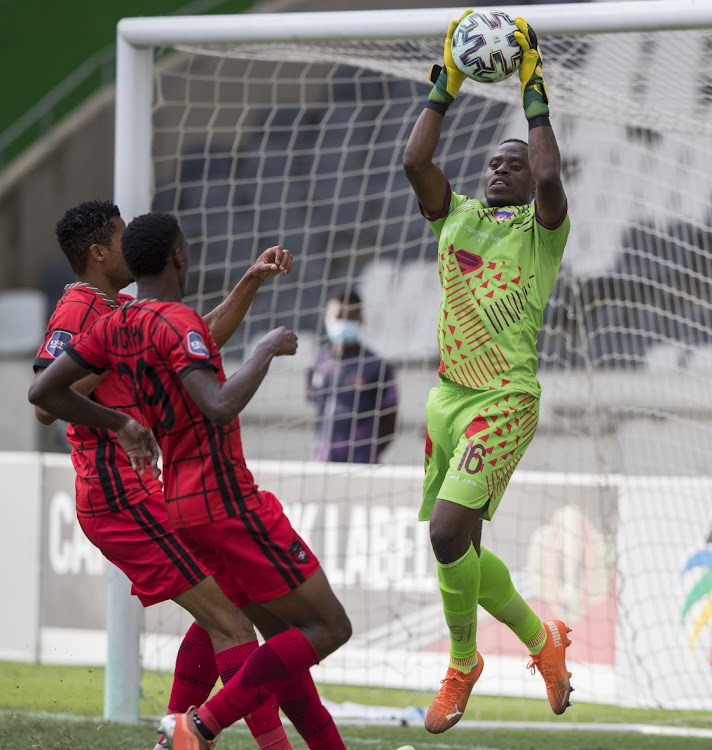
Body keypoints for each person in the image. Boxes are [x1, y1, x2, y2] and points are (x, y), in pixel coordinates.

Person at [29, 211, 352, 750]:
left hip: (160, 488)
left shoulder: (125, 313)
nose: (128, 240)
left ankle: (178, 732)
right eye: (118, 233)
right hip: (123, 488)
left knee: (237, 618)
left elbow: (190, 343)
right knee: (238, 622)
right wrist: (121, 407)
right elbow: (45, 397)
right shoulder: (81, 305)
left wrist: (248, 283)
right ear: (100, 254)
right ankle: (198, 731)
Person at [401, 12, 573, 733]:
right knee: (462, 547)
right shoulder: (456, 218)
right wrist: (449, 80)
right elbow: (414, 162)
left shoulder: (542, 233)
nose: (504, 167)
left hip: (504, 400)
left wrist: (533, 89)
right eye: (495, 161)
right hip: (448, 399)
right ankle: (543, 643)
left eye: (514, 162)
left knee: (444, 536)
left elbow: (549, 171)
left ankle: (463, 663)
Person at [306, 288, 398, 463]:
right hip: (323, 461)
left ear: (361, 319)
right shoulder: (317, 363)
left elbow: (390, 422)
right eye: (339, 317)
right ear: (327, 318)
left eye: (350, 318)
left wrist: (370, 454)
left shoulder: (377, 366)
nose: (344, 323)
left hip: (362, 463)